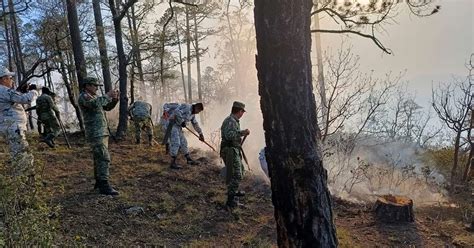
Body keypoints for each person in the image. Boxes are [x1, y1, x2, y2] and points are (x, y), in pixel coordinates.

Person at [78, 77, 120, 196]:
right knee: (103, 158)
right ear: (87, 86)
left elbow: (106, 107)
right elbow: (95, 105)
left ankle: (99, 182)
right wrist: (107, 95)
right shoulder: (84, 97)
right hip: (95, 133)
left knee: (99, 158)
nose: (97, 88)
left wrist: (114, 100)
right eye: (95, 85)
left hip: (101, 132)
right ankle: (104, 185)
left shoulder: (94, 97)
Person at [220, 101, 250, 208]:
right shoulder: (230, 121)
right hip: (229, 151)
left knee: (240, 171)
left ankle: (233, 191)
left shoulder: (234, 121)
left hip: (233, 150)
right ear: (239, 111)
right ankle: (230, 201)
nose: (242, 114)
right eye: (242, 111)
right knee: (236, 174)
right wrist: (242, 132)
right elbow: (229, 136)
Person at [163, 102, 205, 169]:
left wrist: (200, 134)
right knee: (176, 143)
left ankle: (188, 160)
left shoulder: (192, 115)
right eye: (199, 111)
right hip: (171, 125)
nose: (198, 112)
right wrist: (182, 121)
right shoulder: (187, 107)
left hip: (177, 126)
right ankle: (172, 163)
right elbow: (177, 111)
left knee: (184, 142)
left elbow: (195, 124)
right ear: (196, 107)